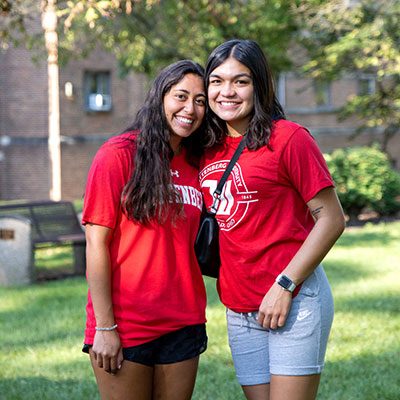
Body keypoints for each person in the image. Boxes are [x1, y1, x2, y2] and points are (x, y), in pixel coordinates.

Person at [200, 39, 346, 400]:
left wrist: (285, 286)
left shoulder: (288, 138)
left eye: (240, 81)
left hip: (293, 298)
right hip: (239, 307)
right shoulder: (205, 146)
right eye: (216, 81)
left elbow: (331, 218)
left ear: (260, 86)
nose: (226, 92)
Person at [81, 60, 208, 400]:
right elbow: (95, 244)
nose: (190, 109)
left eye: (200, 101)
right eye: (181, 96)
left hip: (184, 320)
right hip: (126, 323)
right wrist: (104, 328)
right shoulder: (119, 155)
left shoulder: (199, 163)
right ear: (160, 97)